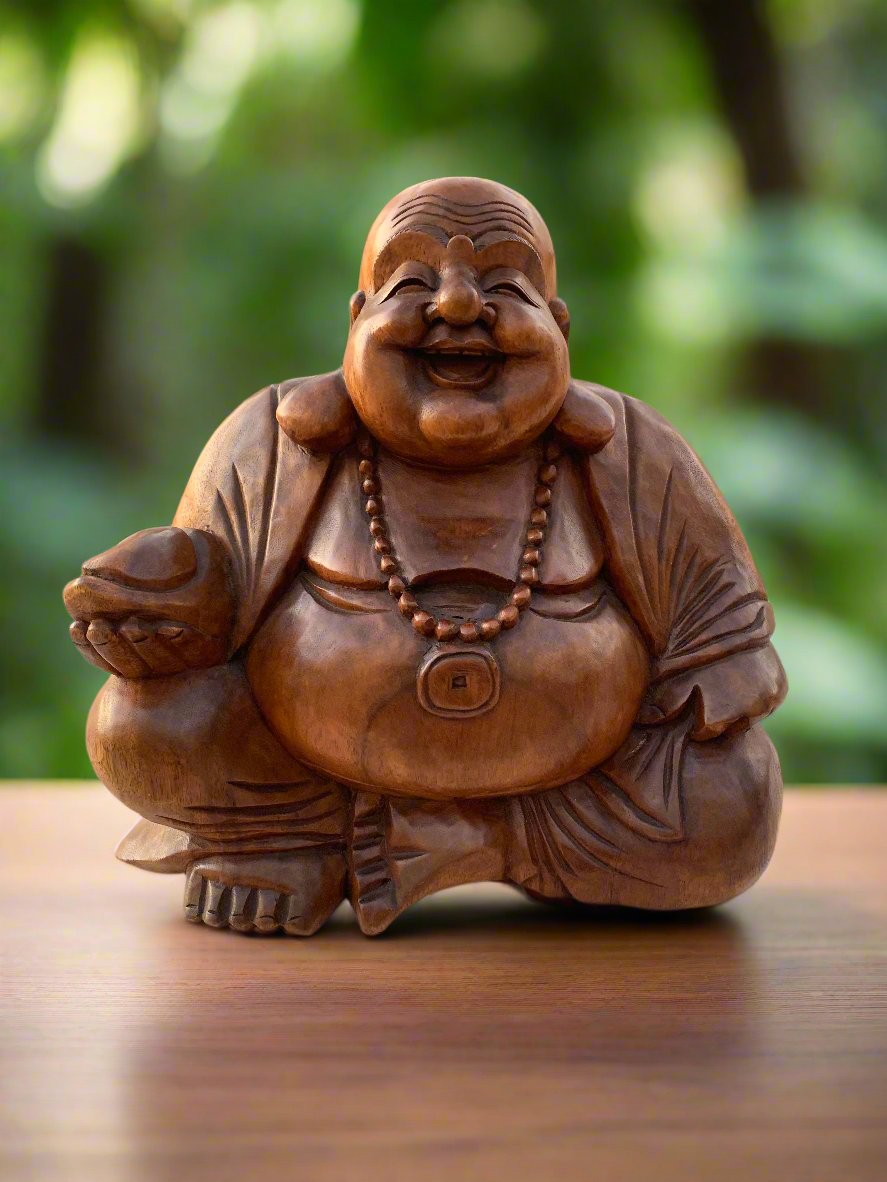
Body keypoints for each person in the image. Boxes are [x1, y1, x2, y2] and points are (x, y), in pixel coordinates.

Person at [65, 177, 786, 936]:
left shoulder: (627, 447)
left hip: (575, 787)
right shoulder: (274, 438)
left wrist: (719, 670)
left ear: (559, 325)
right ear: (357, 316)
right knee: (140, 723)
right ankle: (287, 839)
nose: (458, 307)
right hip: (310, 781)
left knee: (731, 797)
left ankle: (475, 843)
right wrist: (152, 617)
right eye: (411, 282)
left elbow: (722, 627)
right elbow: (204, 616)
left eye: (505, 285)